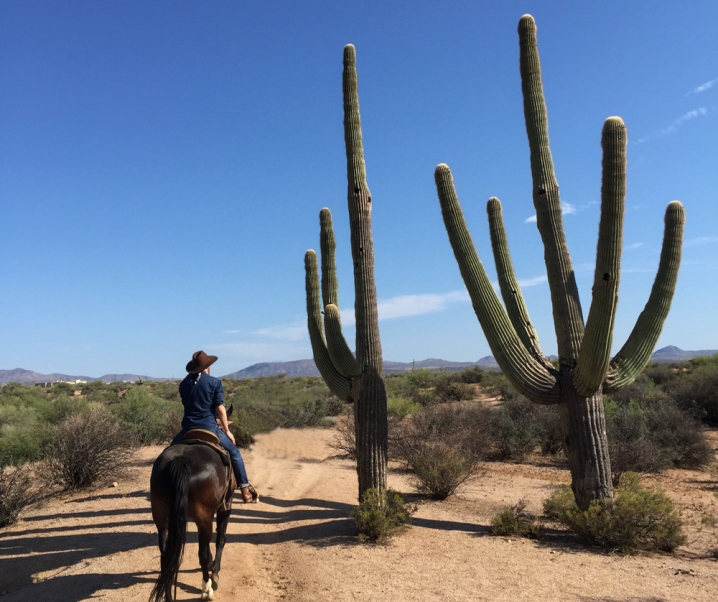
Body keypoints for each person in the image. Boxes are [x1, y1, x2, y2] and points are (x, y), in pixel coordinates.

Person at [171, 350, 254, 503]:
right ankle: (245, 489)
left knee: (168, 453)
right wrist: (227, 431)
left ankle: (166, 489)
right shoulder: (214, 382)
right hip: (210, 428)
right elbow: (220, 409)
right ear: (207, 367)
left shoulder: (183, 384)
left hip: (188, 429)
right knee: (234, 452)